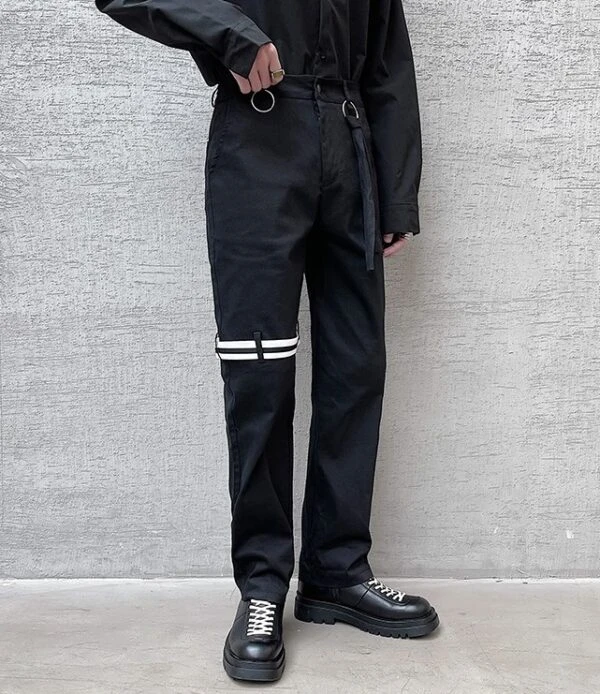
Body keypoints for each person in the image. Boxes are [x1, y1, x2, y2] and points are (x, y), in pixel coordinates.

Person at [95, 0, 440, 682]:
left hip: (350, 147)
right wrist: (234, 36)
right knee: (260, 374)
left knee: (355, 370)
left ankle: (336, 572)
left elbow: (388, 61)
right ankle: (261, 586)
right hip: (259, 146)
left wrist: (397, 191)